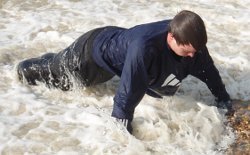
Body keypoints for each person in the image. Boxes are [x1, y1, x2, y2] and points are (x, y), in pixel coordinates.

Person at [17, 10, 233, 134]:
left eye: (195, 51)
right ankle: (18, 71)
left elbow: (209, 72)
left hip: (118, 48)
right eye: (187, 52)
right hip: (89, 57)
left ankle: (54, 57)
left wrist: (224, 101)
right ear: (171, 37)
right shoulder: (145, 49)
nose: (193, 56)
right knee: (56, 77)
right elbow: (126, 97)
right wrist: (124, 140)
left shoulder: (192, 44)